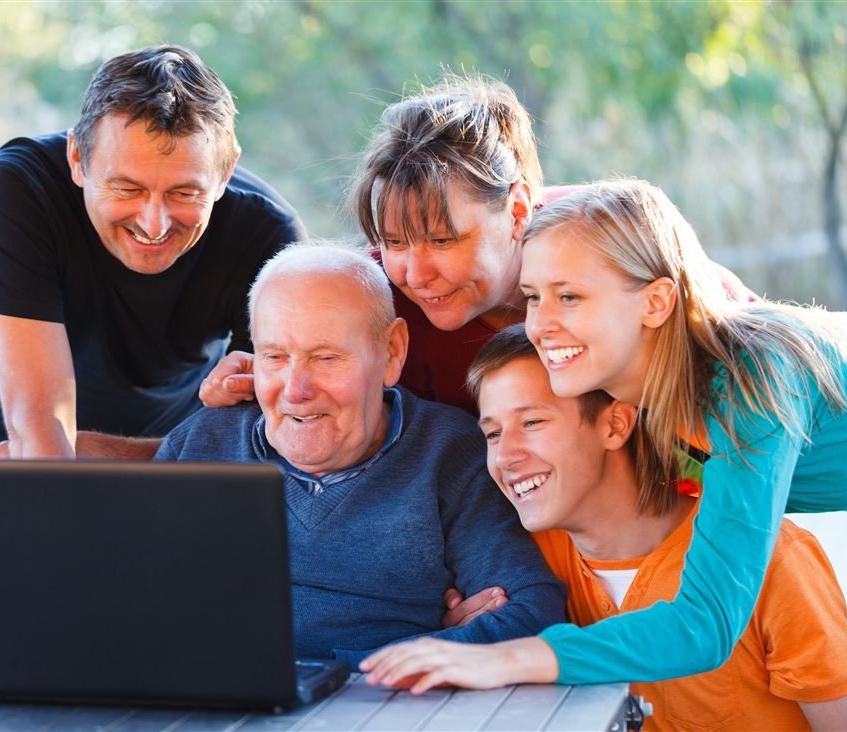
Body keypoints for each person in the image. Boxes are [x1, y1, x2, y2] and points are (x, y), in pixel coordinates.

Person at [361, 179, 847, 691]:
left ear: (656, 302)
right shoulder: (630, 391)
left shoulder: (749, 383)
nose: (542, 325)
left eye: (570, 297)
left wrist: (508, 660)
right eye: (534, 297)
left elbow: (706, 626)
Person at [199, 74, 751, 416]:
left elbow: (724, 327)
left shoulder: (605, 234)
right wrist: (255, 378)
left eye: (443, 239)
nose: (415, 273)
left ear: (517, 210)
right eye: (393, 240)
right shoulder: (375, 294)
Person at [155, 241, 566, 663]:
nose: (296, 391)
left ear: (392, 353)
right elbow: (120, 600)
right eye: (275, 357)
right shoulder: (199, 446)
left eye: (326, 357)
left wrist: (354, 670)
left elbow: (531, 612)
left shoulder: (447, 453)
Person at [456, 325, 847, 729]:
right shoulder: (524, 565)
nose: (505, 456)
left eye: (531, 423)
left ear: (614, 425)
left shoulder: (772, 562)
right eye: (493, 433)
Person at [0, 45, 305, 458]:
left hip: (176, 461)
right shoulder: (18, 190)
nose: (154, 223)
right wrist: (78, 457)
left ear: (225, 172)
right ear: (76, 158)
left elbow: (259, 442)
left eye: (184, 193)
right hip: (6, 451)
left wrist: (103, 453)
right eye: (127, 189)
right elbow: (38, 435)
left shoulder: (269, 237)